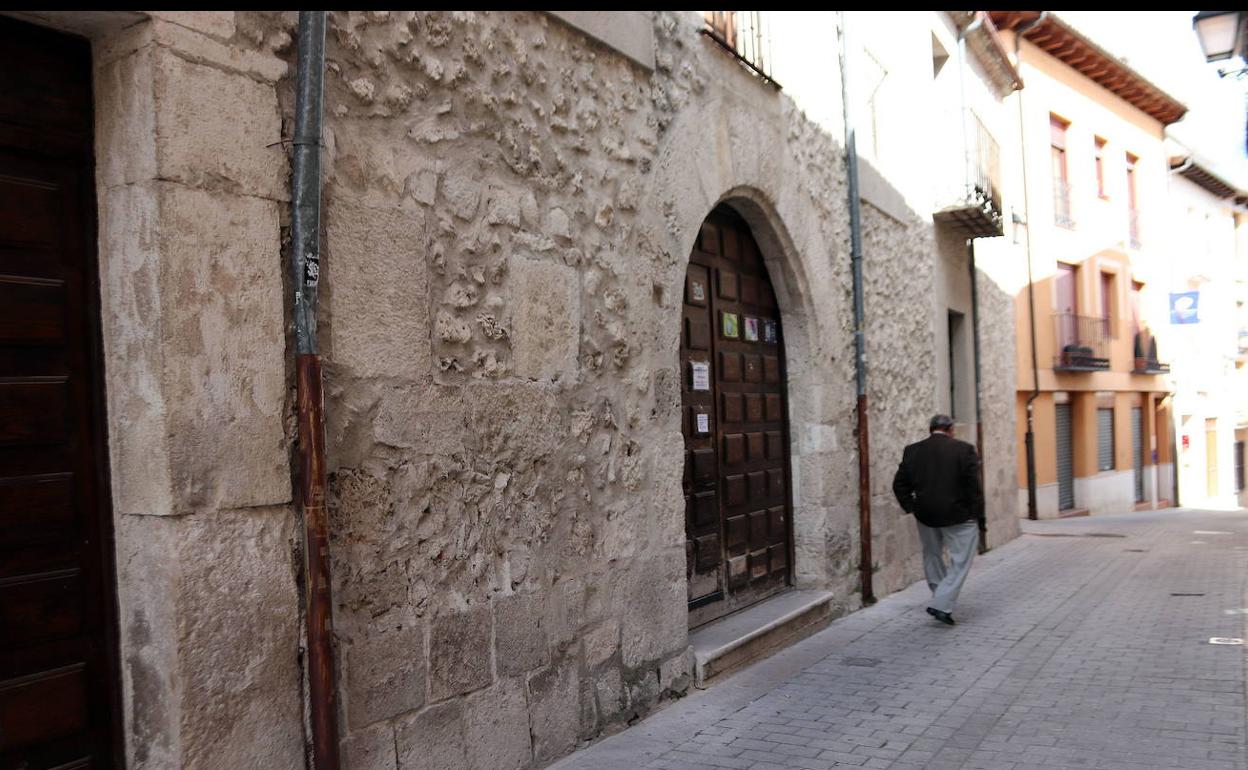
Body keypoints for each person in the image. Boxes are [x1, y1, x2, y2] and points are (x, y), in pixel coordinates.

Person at [891, 414, 984, 626]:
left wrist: (911, 507)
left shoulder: (912, 450)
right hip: (959, 516)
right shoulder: (964, 449)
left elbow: (899, 485)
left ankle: (940, 597)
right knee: (960, 561)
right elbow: (973, 488)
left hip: (925, 514)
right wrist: (977, 514)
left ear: (931, 428)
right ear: (950, 429)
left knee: (931, 555)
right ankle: (941, 603)